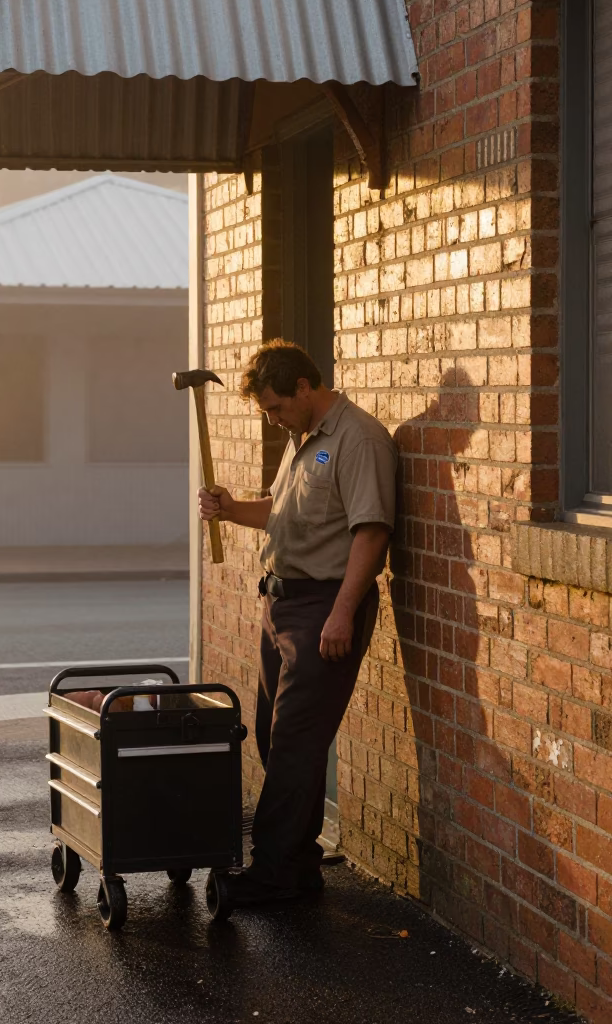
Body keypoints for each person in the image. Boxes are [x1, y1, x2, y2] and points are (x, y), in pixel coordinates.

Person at [198, 340, 397, 905]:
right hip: (281, 607)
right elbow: (283, 511)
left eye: (277, 407)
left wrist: (342, 612)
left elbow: (372, 532)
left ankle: (275, 873)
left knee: (294, 742)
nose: (272, 418)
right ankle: (299, 864)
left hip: (324, 609)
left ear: (305, 388)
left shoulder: (358, 439)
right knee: (272, 735)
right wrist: (232, 508)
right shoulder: (302, 439)